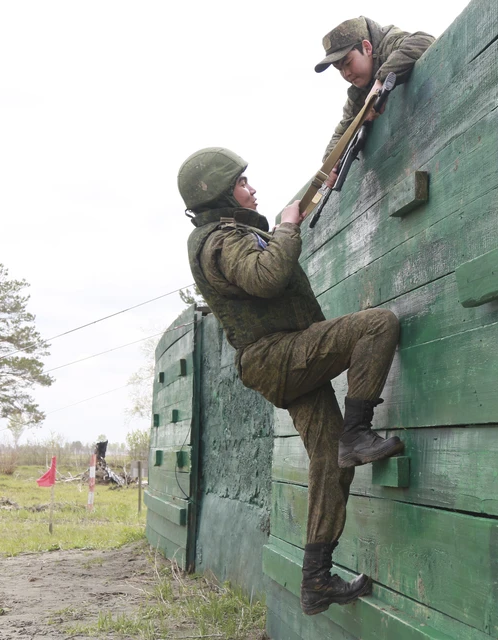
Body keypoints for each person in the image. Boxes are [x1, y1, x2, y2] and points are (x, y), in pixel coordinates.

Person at [177, 147, 405, 615]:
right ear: (220, 191)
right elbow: (265, 277)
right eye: (242, 182)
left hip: (280, 356)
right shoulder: (219, 240)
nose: (252, 188)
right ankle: (358, 431)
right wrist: (286, 227)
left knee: (330, 461)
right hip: (277, 355)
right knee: (377, 325)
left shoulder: (232, 233)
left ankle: (315, 580)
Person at [315, 16, 434, 172]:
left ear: (367, 47)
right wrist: (328, 166)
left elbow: (423, 41)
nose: (346, 74)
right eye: (340, 70)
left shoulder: (389, 44)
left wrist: (380, 81)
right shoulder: (358, 92)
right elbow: (343, 130)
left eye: (348, 63)